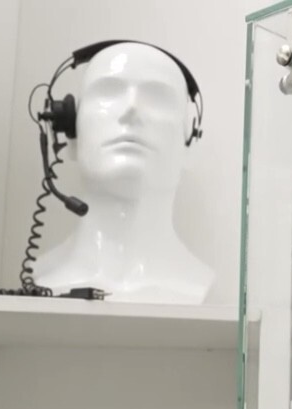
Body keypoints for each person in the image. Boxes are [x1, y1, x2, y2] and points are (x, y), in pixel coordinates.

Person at [33, 42, 213, 304]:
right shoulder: (41, 276)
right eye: (107, 93)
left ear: (190, 141)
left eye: (158, 98)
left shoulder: (197, 285)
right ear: (69, 131)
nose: (131, 110)